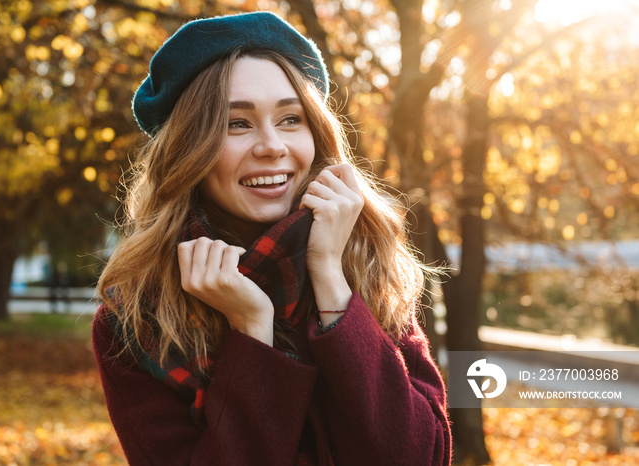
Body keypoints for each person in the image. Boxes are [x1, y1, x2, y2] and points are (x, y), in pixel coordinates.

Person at [92, 11, 451, 466]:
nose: (272, 146)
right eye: (237, 124)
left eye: (290, 119)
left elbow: (420, 457)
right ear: (188, 150)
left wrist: (331, 283)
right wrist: (253, 334)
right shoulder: (137, 317)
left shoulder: (369, 264)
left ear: (316, 136)